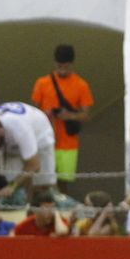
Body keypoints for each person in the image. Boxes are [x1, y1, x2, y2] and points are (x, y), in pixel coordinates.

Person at [30, 44, 93, 184]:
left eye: (66, 67)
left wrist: (69, 116)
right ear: (55, 63)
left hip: (68, 144)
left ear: (72, 64)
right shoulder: (42, 83)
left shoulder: (81, 85)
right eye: (59, 67)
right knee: (43, 181)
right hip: (45, 140)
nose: (63, 71)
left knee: (63, 182)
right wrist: (45, 115)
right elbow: (33, 113)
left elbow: (86, 115)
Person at [0, 102, 56, 201]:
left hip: (40, 135)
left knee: (42, 186)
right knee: (10, 183)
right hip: (11, 142)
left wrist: (13, 185)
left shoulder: (19, 127)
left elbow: (34, 165)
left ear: (0, 132)